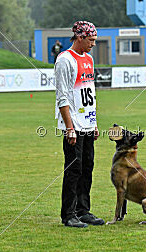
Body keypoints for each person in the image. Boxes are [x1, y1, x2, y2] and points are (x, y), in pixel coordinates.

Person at [54, 21, 104, 228]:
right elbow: (62, 97)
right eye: (91, 40)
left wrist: (94, 123)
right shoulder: (65, 60)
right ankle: (69, 214)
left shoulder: (89, 59)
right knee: (73, 170)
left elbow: (89, 93)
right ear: (79, 37)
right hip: (73, 125)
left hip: (87, 124)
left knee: (87, 167)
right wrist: (69, 127)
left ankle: (83, 211)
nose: (93, 44)